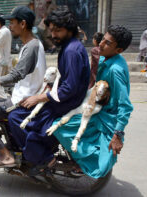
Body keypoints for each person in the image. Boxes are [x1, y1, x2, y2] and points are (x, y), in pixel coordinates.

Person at [8, 7, 90, 175]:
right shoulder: (70, 47)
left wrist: (39, 98)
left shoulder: (72, 51)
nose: (53, 35)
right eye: (52, 31)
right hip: (64, 99)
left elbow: (69, 88)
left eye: (57, 31)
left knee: (15, 117)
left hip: (64, 104)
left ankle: (43, 158)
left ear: (70, 29)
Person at [53, 25, 134, 178]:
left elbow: (125, 105)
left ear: (119, 50)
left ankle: (82, 160)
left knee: (58, 127)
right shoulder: (106, 58)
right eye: (103, 39)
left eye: (108, 43)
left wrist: (118, 134)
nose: (101, 44)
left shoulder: (115, 70)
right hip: (96, 106)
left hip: (105, 116)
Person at [0, 6, 46, 168]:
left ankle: (5, 155)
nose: (10, 25)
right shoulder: (32, 44)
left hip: (22, 100)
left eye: (12, 22)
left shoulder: (32, 46)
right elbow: (23, 75)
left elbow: (15, 75)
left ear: (23, 24)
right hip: (24, 93)